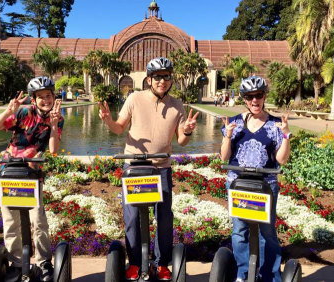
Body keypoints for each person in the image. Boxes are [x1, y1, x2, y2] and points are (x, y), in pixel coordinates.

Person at [98, 57, 199, 281]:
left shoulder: (177, 104)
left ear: (171, 79)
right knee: (133, 217)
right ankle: (134, 262)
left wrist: (189, 129)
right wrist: (108, 121)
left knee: (163, 217)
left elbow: (181, 140)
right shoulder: (135, 98)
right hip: (135, 166)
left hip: (161, 167)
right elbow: (119, 127)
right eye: (157, 77)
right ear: (149, 79)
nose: (162, 81)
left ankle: (162, 264)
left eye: (166, 76)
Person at [0, 76, 64, 282]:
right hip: (10, 173)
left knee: (38, 220)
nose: (45, 100)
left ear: (54, 96)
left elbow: (53, 150)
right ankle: (17, 263)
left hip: (32, 175)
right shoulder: (23, 113)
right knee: (11, 221)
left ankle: (43, 262)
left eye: (48, 96)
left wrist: (55, 125)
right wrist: (8, 110)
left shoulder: (57, 117)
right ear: (34, 99)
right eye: (41, 97)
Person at [220, 76, 291, 282]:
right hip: (238, 183)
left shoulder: (276, 124)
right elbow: (224, 157)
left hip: (265, 186)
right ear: (244, 99)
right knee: (239, 230)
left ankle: (269, 275)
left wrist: (286, 136)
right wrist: (227, 136)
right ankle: (243, 273)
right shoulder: (234, 122)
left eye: (258, 95)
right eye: (249, 97)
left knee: (267, 232)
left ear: (264, 96)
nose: (254, 100)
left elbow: (282, 159)